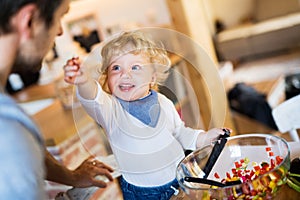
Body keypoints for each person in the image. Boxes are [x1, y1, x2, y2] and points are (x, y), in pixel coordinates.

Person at [64, 30, 229, 199]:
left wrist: (205, 137)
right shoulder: (111, 110)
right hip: (143, 193)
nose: (125, 74)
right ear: (107, 79)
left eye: (135, 67)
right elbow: (93, 97)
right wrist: (83, 82)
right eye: (116, 68)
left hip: (180, 179)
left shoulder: (164, 102)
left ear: (152, 77)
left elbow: (180, 133)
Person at [0, 0, 113, 199]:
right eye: (60, 16)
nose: (60, 31)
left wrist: (71, 177)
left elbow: (31, 146)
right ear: (29, 21)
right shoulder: (8, 134)